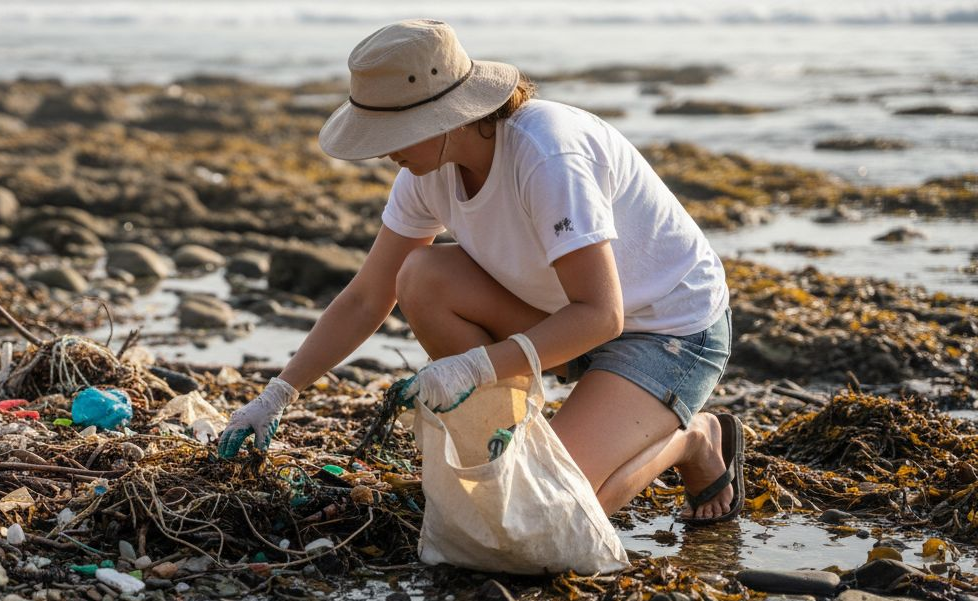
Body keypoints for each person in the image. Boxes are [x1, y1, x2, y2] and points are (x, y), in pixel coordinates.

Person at [218, 19, 743, 524]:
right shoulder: (426, 172)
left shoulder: (546, 154)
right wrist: (279, 393)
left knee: (540, 517)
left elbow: (603, 315)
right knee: (422, 275)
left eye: (391, 131)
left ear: (447, 116)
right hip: (560, 320)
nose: (381, 150)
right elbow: (366, 296)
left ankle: (692, 438)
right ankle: (520, 452)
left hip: (666, 331)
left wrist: (472, 369)